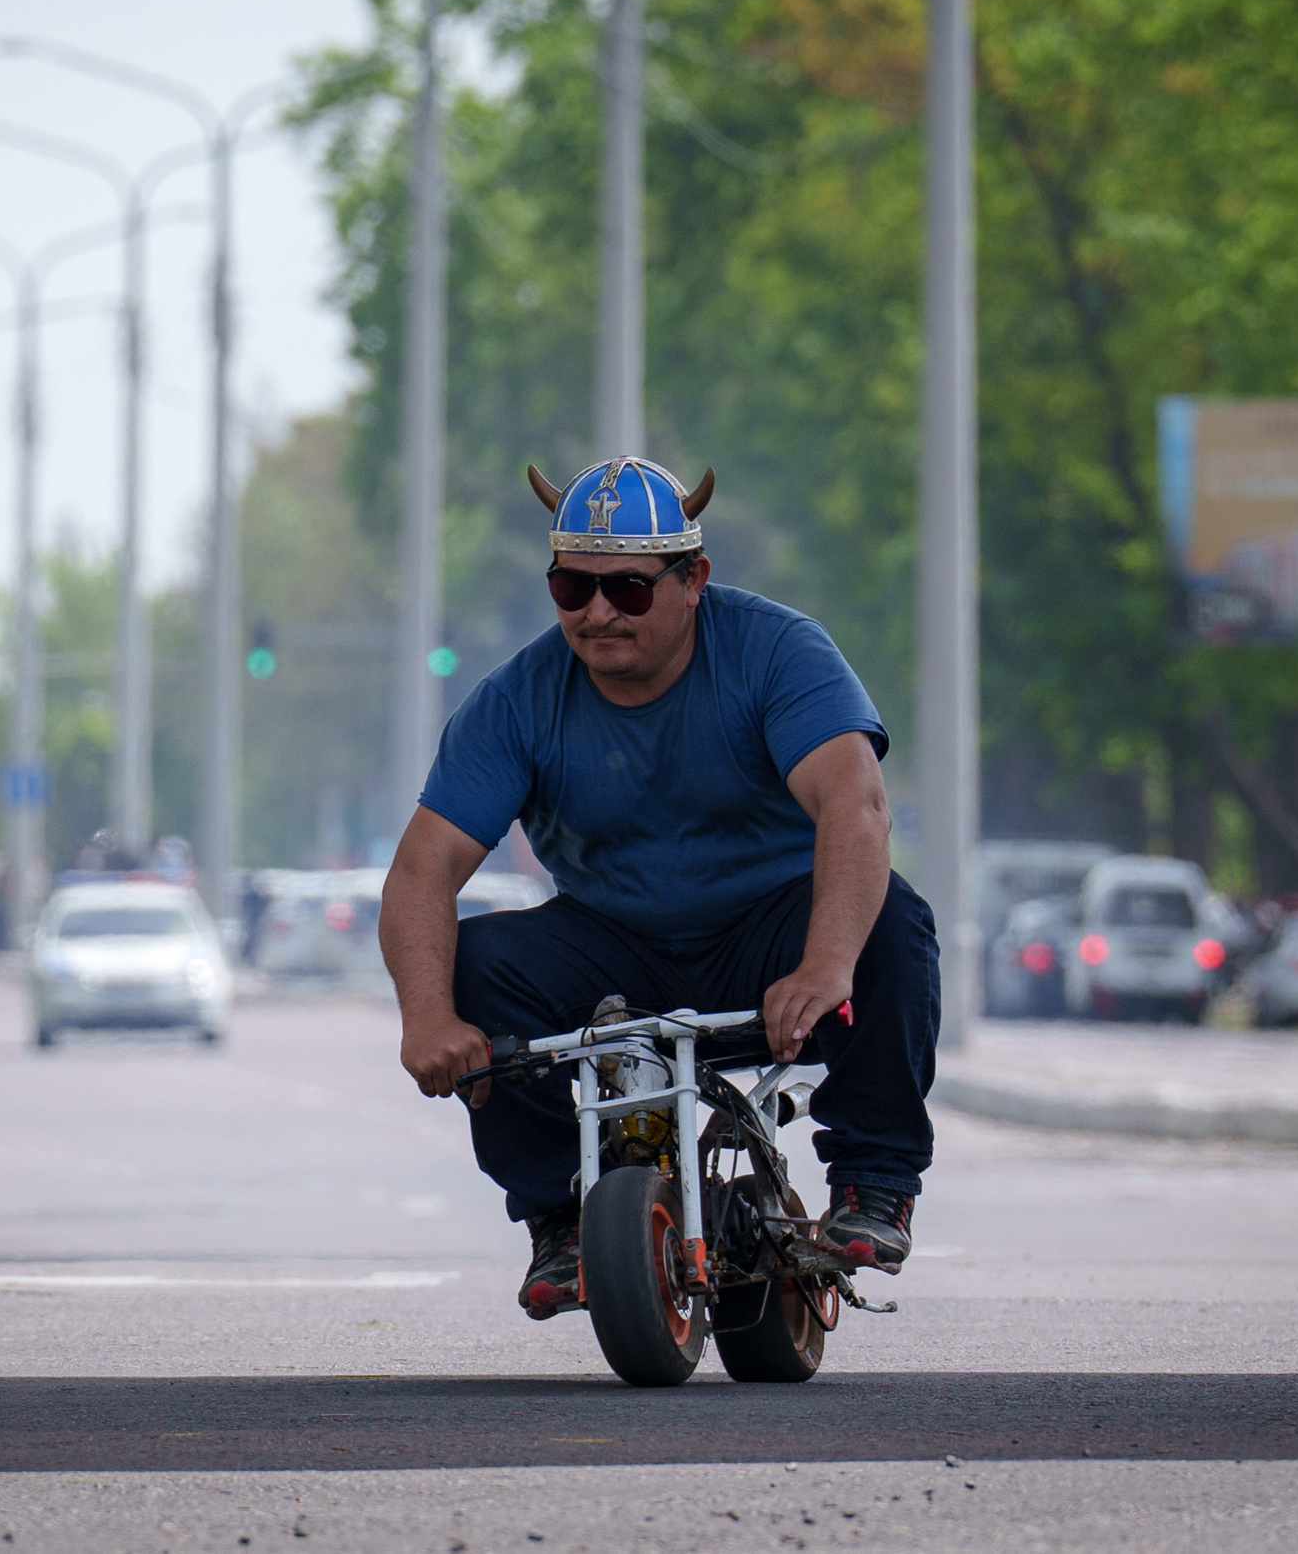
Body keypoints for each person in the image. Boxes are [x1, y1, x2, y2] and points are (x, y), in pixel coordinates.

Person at [379, 456, 941, 1321]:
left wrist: (828, 964)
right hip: (613, 942)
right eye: (573, 587)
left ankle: (875, 1182)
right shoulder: (517, 699)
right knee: (475, 961)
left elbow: (856, 805)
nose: (597, 613)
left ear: (693, 580)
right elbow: (424, 867)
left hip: (770, 933)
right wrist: (427, 1015)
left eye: (629, 590)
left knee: (894, 920)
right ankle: (561, 1220)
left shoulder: (779, 651)